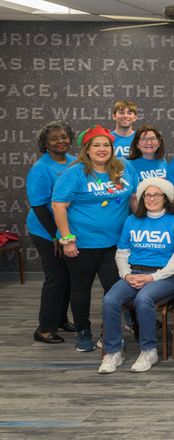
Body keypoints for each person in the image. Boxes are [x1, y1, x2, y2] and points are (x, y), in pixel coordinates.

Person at [52, 126, 139, 352]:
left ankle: (109, 331)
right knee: (81, 289)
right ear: (87, 149)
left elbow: (132, 198)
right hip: (82, 245)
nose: (102, 149)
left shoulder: (124, 167)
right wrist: (67, 239)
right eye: (96, 145)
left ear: (112, 148)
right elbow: (59, 206)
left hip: (116, 244)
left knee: (114, 290)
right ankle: (83, 331)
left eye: (106, 145)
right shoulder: (74, 173)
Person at [98, 178, 174, 374]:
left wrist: (153, 277)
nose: (152, 198)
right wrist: (127, 275)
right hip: (134, 272)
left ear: (166, 198)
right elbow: (122, 252)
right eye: (147, 195)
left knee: (144, 298)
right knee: (110, 300)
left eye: (157, 195)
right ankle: (113, 352)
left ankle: (149, 351)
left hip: (164, 276)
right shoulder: (131, 220)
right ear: (141, 198)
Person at [26, 120, 76, 343]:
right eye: (54, 138)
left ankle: (60, 320)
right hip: (47, 231)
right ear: (45, 143)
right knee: (55, 278)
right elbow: (38, 206)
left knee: (67, 277)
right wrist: (57, 236)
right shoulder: (41, 168)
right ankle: (44, 328)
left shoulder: (75, 162)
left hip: (66, 231)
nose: (60, 141)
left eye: (64, 137)